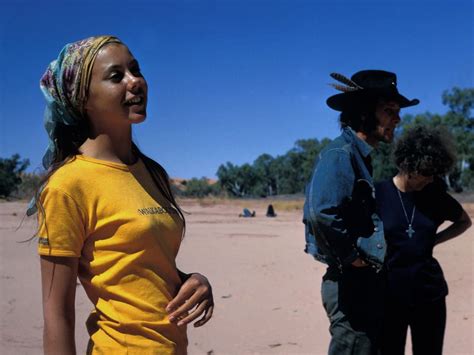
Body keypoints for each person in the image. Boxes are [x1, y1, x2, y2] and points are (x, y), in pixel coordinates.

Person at [28, 35, 214, 354]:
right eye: (117, 76)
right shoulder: (69, 184)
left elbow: (140, 267)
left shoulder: (150, 172)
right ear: (82, 98)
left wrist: (192, 281)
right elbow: (56, 313)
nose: (135, 82)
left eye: (136, 70)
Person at [303, 70, 419, 354]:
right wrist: (351, 256)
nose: (397, 118)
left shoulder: (359, 156)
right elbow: (321, 212)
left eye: (397, 111)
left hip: (364, 283)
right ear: (365, 113)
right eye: (389, 110)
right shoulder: (340, 154)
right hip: (350, 284)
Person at [376, 126, 471, 355]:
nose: (429, 179)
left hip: (429, 294)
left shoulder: (435, 196)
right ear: (407, 164)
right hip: (389, 295)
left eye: (434, 174)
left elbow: (464, 221)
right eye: (425, 173)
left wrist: (435, 240)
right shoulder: (378, 194)